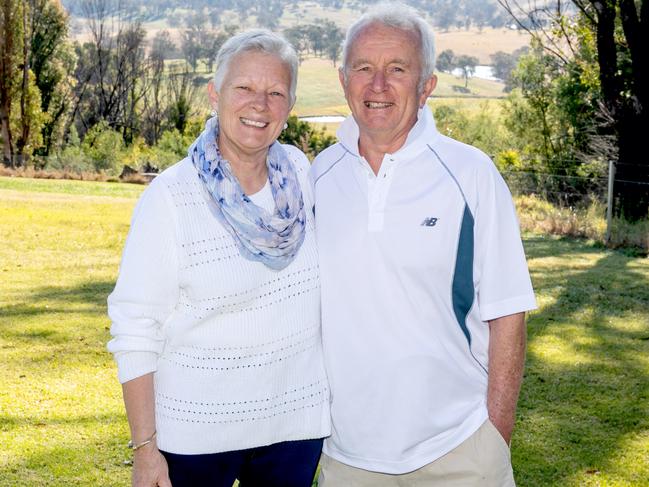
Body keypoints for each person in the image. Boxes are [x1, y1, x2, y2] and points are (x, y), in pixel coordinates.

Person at [310, 3, 537, 486]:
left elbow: (508, 311)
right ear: (342, 78)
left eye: (397, 69)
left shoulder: (471, 174)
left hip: (459, 452)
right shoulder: (315, 179)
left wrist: (494, 437)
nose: (377, 86)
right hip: (349, 457)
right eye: (363, 68)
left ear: (427, 84)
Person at [107, 29, 330, 487]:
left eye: (275, 93)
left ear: (289, 108)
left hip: (294, 428)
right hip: (195, 435)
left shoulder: (306, 178)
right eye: (244, 88)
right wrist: (146, 450)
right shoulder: (172, 196)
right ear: (215, 94)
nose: (259, 105)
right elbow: (134, 327)